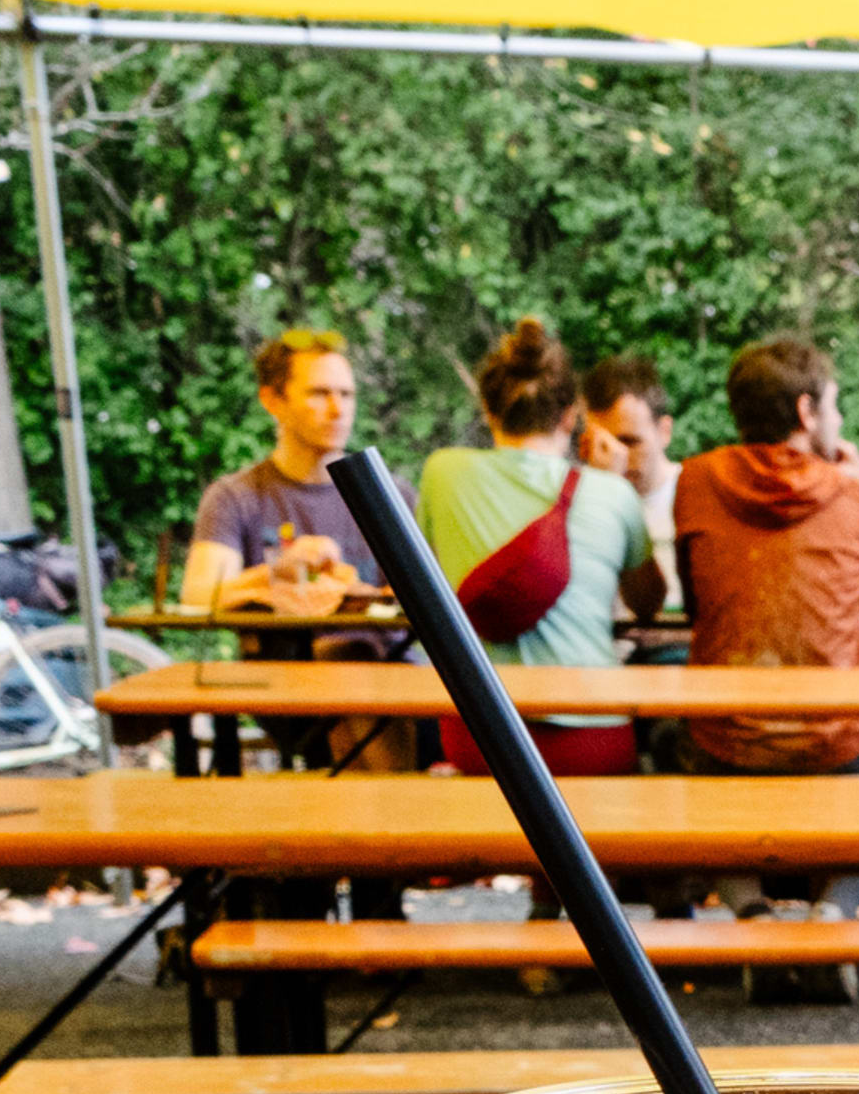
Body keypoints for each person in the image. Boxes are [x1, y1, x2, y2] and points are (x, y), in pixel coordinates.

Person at [417, 319, 666, 779]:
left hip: (483, 736)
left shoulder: (442, 473)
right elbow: (647, 603)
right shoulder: (612, 493)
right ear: (572, 417)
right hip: (593, 735)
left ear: (487, 411)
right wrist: (610, 484)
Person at [665, 336, 859, 776]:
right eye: (832, 406)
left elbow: (696, 604)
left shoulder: (694, 482)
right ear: (806, 411)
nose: (838, 419)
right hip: (840, 741)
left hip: (724, 740)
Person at [181, 327, 410, 767]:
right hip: (285, 683)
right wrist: (277, 572)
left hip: (396, 675)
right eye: (320, 393)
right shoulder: (237, 496)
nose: (337, 409)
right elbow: (197, 594)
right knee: (348, 660)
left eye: (347, 394)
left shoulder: (390, 497)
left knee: (363, 665)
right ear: (273, 400)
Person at [577, 354, 682, 551]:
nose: (617, 456)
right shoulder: (575, 506)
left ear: (664, 431)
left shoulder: (693, 499)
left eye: (629, 442)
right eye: (601, 445)